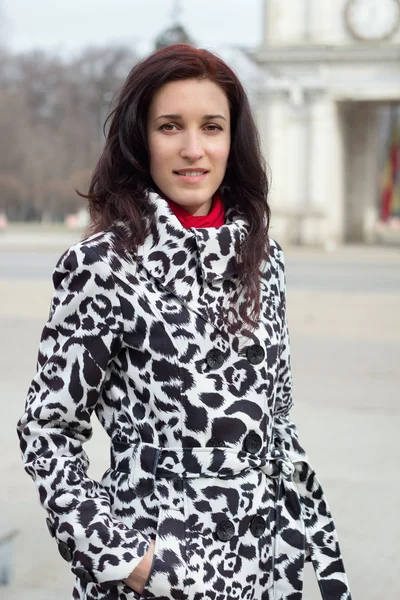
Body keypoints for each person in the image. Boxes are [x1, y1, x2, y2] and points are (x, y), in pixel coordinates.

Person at [16, 44, 352, 600]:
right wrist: (126, 558)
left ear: (232, 141)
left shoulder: (266, 260)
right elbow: (48, 433)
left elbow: (278, 414)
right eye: (170, 126)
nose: (193, 149)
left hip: (258, 566)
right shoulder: (103, 267)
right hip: (150, 577)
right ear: (140, 139)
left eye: (211, 127)